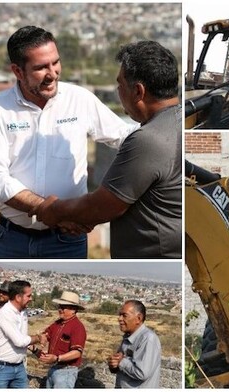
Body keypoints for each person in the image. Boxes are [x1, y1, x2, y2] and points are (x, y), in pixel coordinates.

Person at [0, 26, 136, 259]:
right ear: (17, 71)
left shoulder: (79, 99)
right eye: (41, 67)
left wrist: (162, 131)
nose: (52, 74)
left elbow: (123, 136)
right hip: (13, 239)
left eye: (55, 63)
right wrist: (48, 210)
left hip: (67, 240)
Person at [32, 40, 182, 258]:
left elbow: (102, 206)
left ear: (138, 91)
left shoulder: (147, 140)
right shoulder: (178, 123)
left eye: (120, 84)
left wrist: (52, 209)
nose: (118, 91)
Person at [0, 280, 47, 388]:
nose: (31, 299)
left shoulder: (23, 312)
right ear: (18, 297)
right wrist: (38, 338)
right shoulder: (5, 313)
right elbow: (19, 341)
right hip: (1, 368)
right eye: (28, 296)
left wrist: (35, 349)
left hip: (19, 367)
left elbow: (22, 337)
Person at [38, 291, 87, 388]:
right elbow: (46, 334)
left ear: (73, 309)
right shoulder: (57, 323)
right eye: (59, 306)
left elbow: (77, 352)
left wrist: (57, 358)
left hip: (66, 371)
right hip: (54, 368)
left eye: (63, 307)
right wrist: (42, 338)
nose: (60, 309)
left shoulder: (77, 327)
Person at [108, 300, 161, 388]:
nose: (119, 319)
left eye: (124, 315)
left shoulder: (148, 339)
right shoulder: (127, 337)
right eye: (120, 315)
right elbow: (119, 365)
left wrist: (121, 361)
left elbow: (142, 373)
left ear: (138, 318)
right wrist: (114, 364)